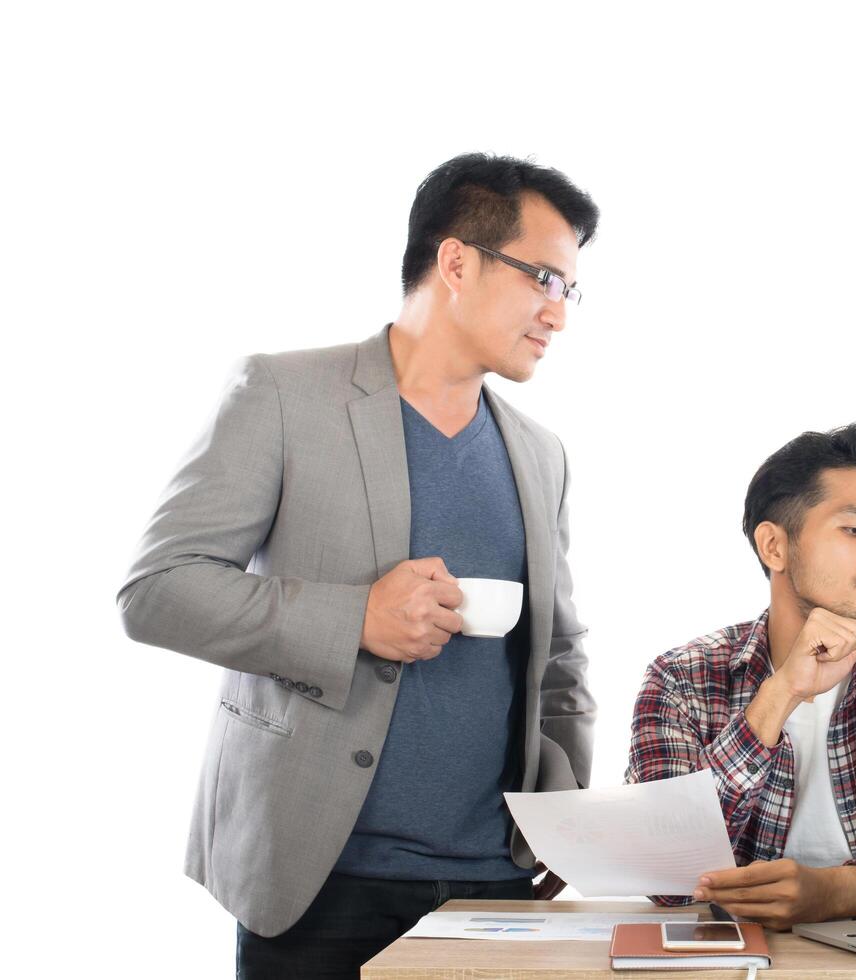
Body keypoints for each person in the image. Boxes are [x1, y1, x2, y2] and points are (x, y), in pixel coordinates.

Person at [117, 154, 600, 978]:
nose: (559, 313)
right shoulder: (280, 394)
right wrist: (356, 621)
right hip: (319, 881)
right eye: (544, 279)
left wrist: (562, 821)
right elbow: (158, 590)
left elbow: (558, 658)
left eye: (570, 291)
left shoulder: (540, 453)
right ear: (457, 262)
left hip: (495, 885)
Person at [626, 424, 856, 930]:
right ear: (774, 547)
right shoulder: (681, 679)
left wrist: (841, 891)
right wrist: (779, 695)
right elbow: (664, 876)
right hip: (732, 960)